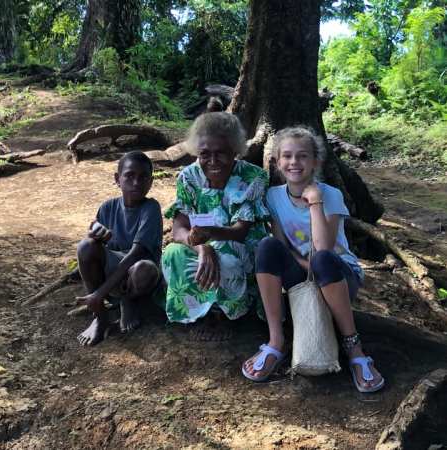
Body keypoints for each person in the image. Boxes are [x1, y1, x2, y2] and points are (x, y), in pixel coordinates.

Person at [242, 126, 384, 393]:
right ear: (277, 162)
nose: (294, 162)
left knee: (323, 260)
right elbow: (282, 247)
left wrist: (316, 201)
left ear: (316, 161)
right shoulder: (273, 196)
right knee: (267, 246)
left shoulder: (330, 194)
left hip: (338, 275)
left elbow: (323, 247)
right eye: (287, 156)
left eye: (302, 156)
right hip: (303, 271)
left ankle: (354, 349)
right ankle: (275, 341)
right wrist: (305, 265)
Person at [161, 112, 269, 341]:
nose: (212, 161)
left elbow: (241, 231)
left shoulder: (252, 177)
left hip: (240, 246)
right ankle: (201, 312)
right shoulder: (189, 177)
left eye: (220, 153)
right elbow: (179, 226)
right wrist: (202, 247)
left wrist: (210, 236)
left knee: (227, 257)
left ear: (235, 150)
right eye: (204, 154)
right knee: (172, 253)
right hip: (202, 243)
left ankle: (226, 314)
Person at [76, 151, 162, 346]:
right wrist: (94, 235)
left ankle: (127, 300)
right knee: (85, 246)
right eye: (129, 175)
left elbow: (135, 255)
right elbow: (93, 248)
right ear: (117, 179)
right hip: (114, 271)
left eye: (143, 177)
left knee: (144, 269)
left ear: (151, 182)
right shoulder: (107, 207)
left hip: (137, 277)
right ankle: (99, 316)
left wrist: (100, 292)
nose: (136, 182)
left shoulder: (151, 208)